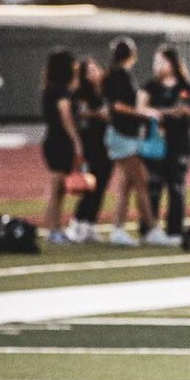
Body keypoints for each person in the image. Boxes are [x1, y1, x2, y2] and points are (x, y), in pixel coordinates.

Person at [102, 36, 172, 247]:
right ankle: (150, 228)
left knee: (127, 184)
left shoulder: (115, 75)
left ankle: (118, 229)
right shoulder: (119, 76)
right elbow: (118, 106)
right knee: (141, 181)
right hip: (123, 135)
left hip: (123, 134)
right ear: (131, 55)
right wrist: (144, 113)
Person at [142, 46, 190, 244]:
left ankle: (175, 231)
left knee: (176, 187)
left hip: (180, 143)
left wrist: (187, 112)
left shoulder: (187, 88)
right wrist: (168, 112)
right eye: (156, 62)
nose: (158, 66)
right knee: (153, 186)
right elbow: (141, 108)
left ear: (173, 63)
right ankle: (149, 229)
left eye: (162, 61)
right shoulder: (150, 87)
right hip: (156, 143)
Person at [65, 57, 113, 243]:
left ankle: (90, 224)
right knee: (90, 185)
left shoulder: (105, 91)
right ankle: (77, 223)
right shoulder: (81, 93)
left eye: (95, 69)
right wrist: (98, 114)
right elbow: (78, 113)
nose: (94, 73)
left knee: (101, 185)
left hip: (106, 144)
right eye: (89, 71)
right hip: (90, 144)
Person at [40, 48, 83, 244]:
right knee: (57, 187)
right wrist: (76, 140)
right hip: (60, 141)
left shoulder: (51, 88)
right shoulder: (61, 91)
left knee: (59, 189)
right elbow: (65, 117)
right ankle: (53, 229)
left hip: (54, 139)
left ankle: (56, 227)